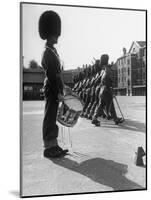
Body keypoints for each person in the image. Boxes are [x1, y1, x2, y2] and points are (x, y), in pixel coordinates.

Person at [39, 10, 68, 158]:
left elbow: (58, 73)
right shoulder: (47, 52)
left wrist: (63, 88)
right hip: (51, 88)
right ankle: (47, 147)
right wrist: (58, 92)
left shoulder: (53, 51)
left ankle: (54, 144)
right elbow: (51, 75)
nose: (57, 36)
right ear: (50, 34)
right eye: (55, 34)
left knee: (53, 115)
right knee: (49, 116)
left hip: (55, 87)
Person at [92, 54, 124, 126]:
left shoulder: (103, 71)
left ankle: (94, 118)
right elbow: (109, 81)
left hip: (102, 91)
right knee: (111, 105)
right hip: (107, 90)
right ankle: (115, 119)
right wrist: (111, 90)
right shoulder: (108, 70)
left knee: (101, 106)